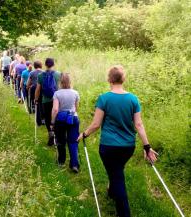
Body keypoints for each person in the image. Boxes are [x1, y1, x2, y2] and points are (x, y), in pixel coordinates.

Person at [77, 65, 158, 217]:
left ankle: (124, 212)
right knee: (116, 171)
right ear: (123, 79)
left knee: (117, 176)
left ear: (109, 79)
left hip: (108, 147)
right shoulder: (133, 99)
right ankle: (112, 192)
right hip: (128, 147)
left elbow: (96, 124)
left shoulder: (104, 98)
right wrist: (147, 146)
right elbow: (139, 124)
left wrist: (84, 134)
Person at [51, 73, 80, 172]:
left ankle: (61, 161)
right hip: (73, 118)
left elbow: (55, 109)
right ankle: (74, 164)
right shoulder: (75, 93)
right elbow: (76, 108)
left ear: (60, 82)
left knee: (61, 141)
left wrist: (52, 121)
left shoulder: (57, 93)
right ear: (70, 82)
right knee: (73, 142)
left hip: (61, 120)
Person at [35, 58, 60, 146]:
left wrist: (36, 99)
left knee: (48, 119)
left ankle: (50, 135)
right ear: (53, 64)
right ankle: (57, 136)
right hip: (56, 100)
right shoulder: (58, 74)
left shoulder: (41, 75)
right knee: (56, 118)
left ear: (45, 65)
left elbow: (38, 89)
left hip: (45, 101)